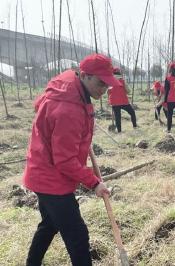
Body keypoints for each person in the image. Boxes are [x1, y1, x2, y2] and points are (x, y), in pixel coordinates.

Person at [23, 53, 119, 266]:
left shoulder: (67, 86)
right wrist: (94, 183)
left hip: (41, 169)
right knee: (78, 237)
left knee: (49, 224)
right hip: (50, 179)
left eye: (107, 85)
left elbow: (40, 105)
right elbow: (64, 161)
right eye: (100, 83)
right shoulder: (69, 108)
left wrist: (78, 136)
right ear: (84, 75)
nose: (103, 90)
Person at [107, 67, 137, 132]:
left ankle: (119, 131)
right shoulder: (122, 81)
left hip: (114, 103)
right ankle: (135, 126)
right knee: (132, 112)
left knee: (117, 117)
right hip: (124, 102)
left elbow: (108, 92)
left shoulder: (110, 81)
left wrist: (109, 100)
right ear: (119, 73)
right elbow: (128, 91)